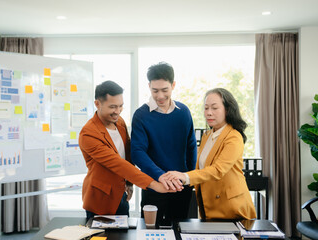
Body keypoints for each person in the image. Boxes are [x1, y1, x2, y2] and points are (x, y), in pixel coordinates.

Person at [79, 80, 179, 220]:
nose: (117, 111)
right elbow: (117, 163)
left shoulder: (119, 122)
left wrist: (129, 183)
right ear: (97, 104)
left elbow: (127, 154)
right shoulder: (88, 133)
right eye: (113, 107)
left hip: (121, 194)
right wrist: (154, 185)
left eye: (121, 106)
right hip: (101, 199)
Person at [163, 88, 257, 220]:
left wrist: (184, 176)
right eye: (206, 108)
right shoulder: (207, 135)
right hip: (209, 206)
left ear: (227, 110)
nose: (209, 113)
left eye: (214, 108)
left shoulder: (234, 137)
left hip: (232, 208)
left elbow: (218, 170)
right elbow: (201, 167)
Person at [131, 62, 197, 224]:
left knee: (180, 230)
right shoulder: (141, 115)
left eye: (164, 90)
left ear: (173, 85)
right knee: (151, 232)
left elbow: (191, 146)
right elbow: (138, 152)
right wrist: (161, 176)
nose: (160, 96)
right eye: (155, 90)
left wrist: (189, 177)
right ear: (149, 86)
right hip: (154, 186)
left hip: (181, 187)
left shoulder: (184, 112)